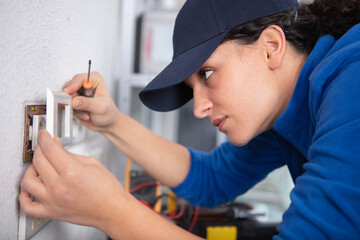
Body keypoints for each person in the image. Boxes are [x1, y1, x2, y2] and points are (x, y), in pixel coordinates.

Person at [19, 0, 360, 239]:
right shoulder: (282, 114)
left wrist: (112, 212)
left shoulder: (352, 80)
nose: (198, 109)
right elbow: (210, 179)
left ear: (270, 46)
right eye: (191, 87)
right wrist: (111, 122)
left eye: (208, 73)